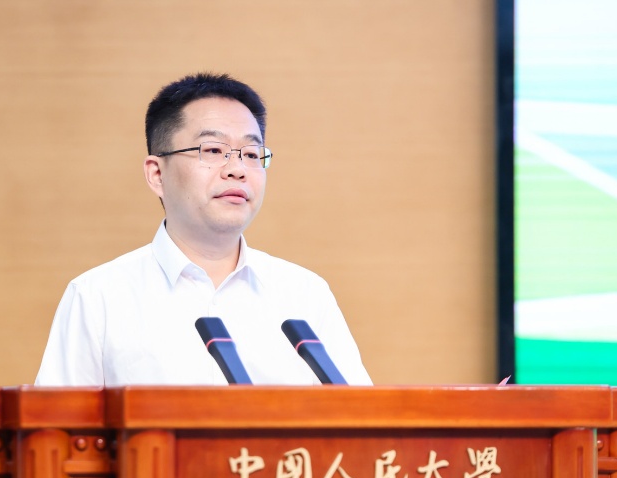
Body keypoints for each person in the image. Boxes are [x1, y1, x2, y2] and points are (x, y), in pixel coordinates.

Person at [35, 73, 371, 386]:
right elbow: (56, 426)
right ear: (157, 174)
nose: (237, 169)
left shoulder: (305, 295)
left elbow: (361, 418)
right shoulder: (98, 297)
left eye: (251, 154)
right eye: (212, 150)